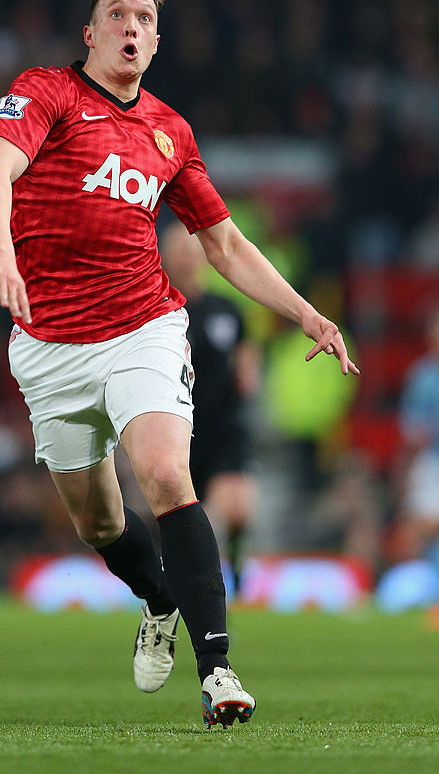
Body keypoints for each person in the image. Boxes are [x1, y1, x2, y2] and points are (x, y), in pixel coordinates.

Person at [0, 0, 359, 729]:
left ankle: (218, 673)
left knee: (165, 473)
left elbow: (224, 244)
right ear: (90, 34)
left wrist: (308, 316)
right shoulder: (45, 93)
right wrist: (1, 256)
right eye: (116, 14)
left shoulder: (169, 132)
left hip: (142, 328)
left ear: (155, 42)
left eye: (144, 17)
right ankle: (156, 601)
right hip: (49, 344)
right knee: (98, 526)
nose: (130, 26)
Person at [159, 220, 260, 597]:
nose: (187, 259)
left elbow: (246, 354)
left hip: (223, 426)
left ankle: (236, 570)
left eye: (192, 252)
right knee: (186, 514)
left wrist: (248, 375)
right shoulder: (158, 312)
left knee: (237, 508)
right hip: (176, 429)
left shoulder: (226, 309)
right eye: (180, 253)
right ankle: (188, 581)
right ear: (164, 257)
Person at [399, 297, 439, 570]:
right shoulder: (423, 376)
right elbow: (410, 425)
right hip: (436, 462)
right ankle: (430, 574)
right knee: (425, 527)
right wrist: (419, 434)